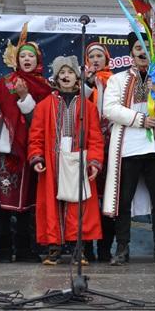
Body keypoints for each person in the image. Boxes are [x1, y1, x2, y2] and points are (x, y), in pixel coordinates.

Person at [101, 31, 155, 266]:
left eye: (147, 48)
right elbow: (110, 109)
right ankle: (122, 248)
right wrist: (138, 119)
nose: (142, 52)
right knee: (122, 200)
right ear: (131, 53)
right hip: (127, 148)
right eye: (138, 48)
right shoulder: (117, 79)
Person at [29, 56, 104, 264]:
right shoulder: (44, 105)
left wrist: (95, 161)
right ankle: (54, 248)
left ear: (77, 77)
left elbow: (96, 137)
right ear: (56, 77)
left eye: (70, 72)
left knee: (78, 205)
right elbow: (35, 135)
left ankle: (78, 248)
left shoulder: (88, 107)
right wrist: (37, 157)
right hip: (53, 161)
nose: (66, 76)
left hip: (79, 159)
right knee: (53, 203)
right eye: (62, 73)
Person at [0, 40, 52, 263]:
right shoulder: (4, 84)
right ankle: (4, 250)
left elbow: (38, 123)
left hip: (31, 149)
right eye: (23, 56)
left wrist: (25, 99)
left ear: (38, 59)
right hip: (5, 148)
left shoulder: (44, 87)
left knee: (27, 202)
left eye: (31, 56)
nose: (27, 59)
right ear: (16, 59)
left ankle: (24, 249)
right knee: (4, 200)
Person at [83, 41, 117, 262]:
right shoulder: (81, 82)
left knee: (108, 199)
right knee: (88, 198)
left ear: (107, 59)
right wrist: (86, 82)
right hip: (87, 144)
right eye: (92, 56)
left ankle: (105, 248)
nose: (96, 60)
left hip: (111, 142)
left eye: (99, 56)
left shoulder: (115, 80)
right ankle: (86, 249)